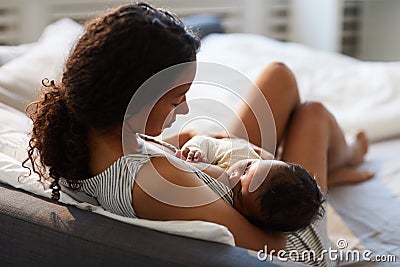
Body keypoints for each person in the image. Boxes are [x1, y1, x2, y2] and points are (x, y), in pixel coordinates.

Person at [23, 2, 374, 266]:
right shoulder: (155, 181)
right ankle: (341, 160)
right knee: (312, 115)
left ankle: (338, 162)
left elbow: (172, 146)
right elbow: (273, 250)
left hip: (225, 174)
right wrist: (268, 165)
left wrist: (198, 145)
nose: (185, 108)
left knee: (278, 76)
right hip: (289, 223)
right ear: (133, 99)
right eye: (177, 98)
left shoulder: (87, 131)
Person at [177, 135, 325, 233]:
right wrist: (197, 150)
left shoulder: (229, 209)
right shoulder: (240, 153)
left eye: (239, 191)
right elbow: (207, 142)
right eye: (247, 167)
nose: (234, 176)